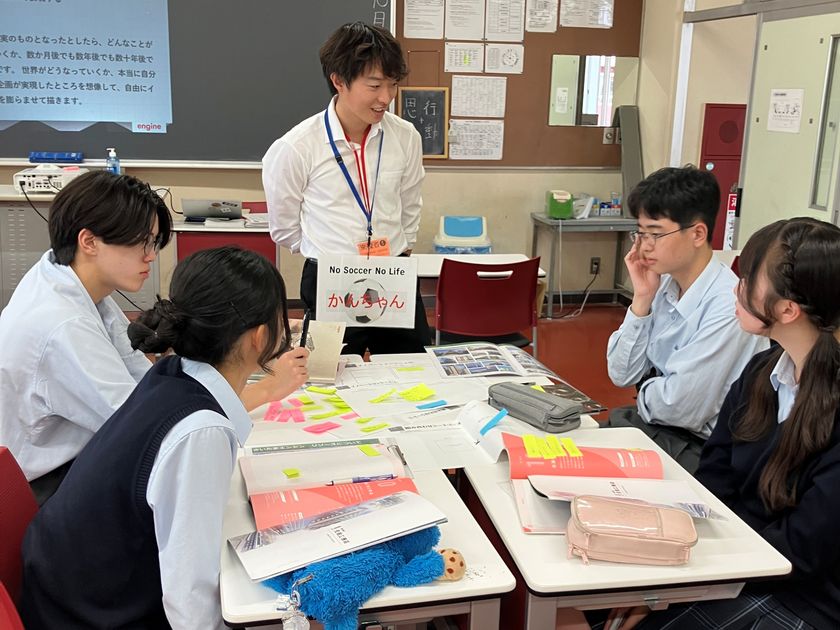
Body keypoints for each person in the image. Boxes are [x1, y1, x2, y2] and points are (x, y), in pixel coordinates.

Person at [20, 246, 307, 630]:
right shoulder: (201, 430)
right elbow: (191, 605)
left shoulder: (171, 372)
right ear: (259, 337)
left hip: (63, 590)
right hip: (88, 617)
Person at [0, 171, 307, 505]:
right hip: (51, 484)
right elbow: (152, 428)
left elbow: (142, 378)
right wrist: (265, 390)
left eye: (154, 243)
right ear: (88, 242)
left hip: (83, 454)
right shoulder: (63, 325)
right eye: (141, 243)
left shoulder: (70, 278)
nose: (150, 255)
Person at [602, 217, 840, 630]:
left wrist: (686, 583)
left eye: (748, 279)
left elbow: (801, 550)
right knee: (598, 599)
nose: (736, 288)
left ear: (787, 309)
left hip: (799, 595)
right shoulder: (762, 371)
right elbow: (714, 480)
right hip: (738, 562)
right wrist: (668, 576)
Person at [262, 21, 431, 356]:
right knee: (329, 375)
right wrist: (326, 252)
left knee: (411, 372)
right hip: (332, 280)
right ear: (339, 81)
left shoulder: (405, 136)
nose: (386, 98)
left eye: (393, 84)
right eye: (375, 85)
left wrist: (402, 248)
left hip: (393, 272)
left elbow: (410, 202)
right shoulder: (297, 146)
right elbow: (284, 227)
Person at [605, 166, 766, 472]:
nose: (644, 246)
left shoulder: (728, 306)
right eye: (640, 233)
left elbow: (680, 408)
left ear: (697, 234)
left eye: (655, 234)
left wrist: (645, 385)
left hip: (701, 450)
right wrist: (642, 299)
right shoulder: (662, 284)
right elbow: (621, 374)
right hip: (657, 428)